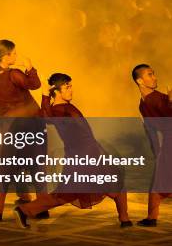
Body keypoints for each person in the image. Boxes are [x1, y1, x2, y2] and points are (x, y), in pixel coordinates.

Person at [14, 73, 132, 229]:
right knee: (65, 195)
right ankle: (24, 210)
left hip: (87, 154)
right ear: (56, 91)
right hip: (84, 158)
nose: (71, 90)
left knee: (66, 195)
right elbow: (45, 117)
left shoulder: (63, 108)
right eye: (67, 87)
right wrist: (44, 94)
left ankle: (125, 219)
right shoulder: (59, 109)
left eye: (71, 86)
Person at [0, 39, 46, 221]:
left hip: (13, 127)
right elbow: (35, 85)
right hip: (30, 125)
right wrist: (30, 67)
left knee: (6, 168)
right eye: (14, 53)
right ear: (5, 56)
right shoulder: (14, 74)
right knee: (35, 167)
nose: (16, 56)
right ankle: (42, 208)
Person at [132, 64, 172, 227]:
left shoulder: (159, 98)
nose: (155, 77)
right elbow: (151, 130)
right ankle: (151, 217)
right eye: (150, 74)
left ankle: (151, 218)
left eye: (154, 74)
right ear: (140, 80)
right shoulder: (143, 104)